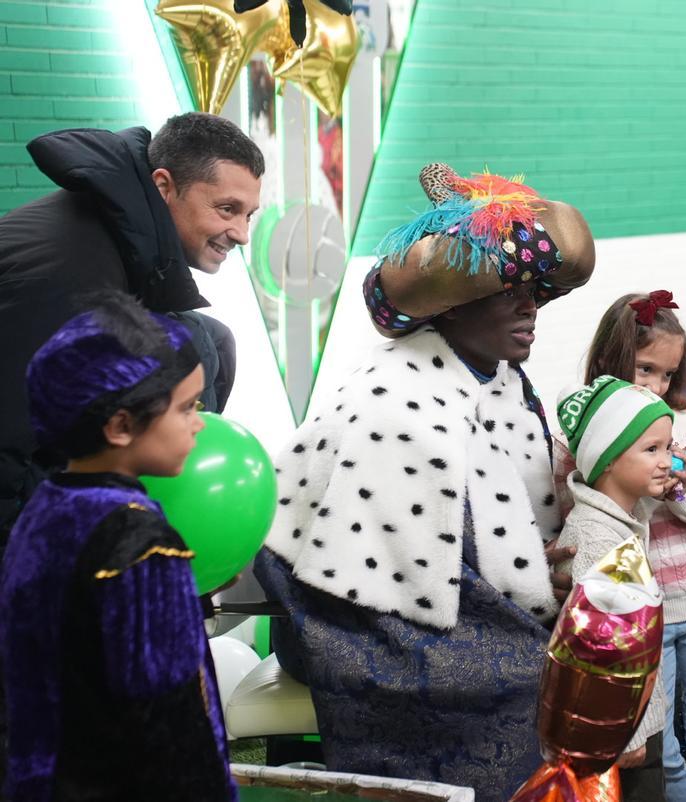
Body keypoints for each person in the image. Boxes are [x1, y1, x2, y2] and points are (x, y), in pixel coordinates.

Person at [254, 164, 595, 800]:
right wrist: (532, 600)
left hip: (453, 600)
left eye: (536, 291)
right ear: (450, 307)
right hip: (354, 617)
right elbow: (390, 576)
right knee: (535, 679)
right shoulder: (396, 406)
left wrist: (540, 568)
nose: (532, 307)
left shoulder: (502, 381)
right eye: (510, 292)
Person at [0, 292, 232, 801]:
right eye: (187, 408)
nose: (200, 422)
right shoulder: (141, 542)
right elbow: (169, 718)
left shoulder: (45, 509)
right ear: (121, 425)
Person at [0, 112, 264, 542]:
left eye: (249, 215)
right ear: (164, 187)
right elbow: (7, 439)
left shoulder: (125, 233)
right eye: (227, 209)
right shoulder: (74, 279)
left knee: (207, 341)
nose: (241, 234)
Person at [555, 290, 686, 802]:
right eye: (646, 370)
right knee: (662, 747)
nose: (658, 386)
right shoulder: (580, 435)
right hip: (640, 617)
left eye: (668, 374)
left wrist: (683, 495)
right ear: (609, 360)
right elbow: (569, 517)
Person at [553, 375, 676, 801]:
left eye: (669, 447)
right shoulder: (596, 539)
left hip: (635, 721)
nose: (668, 461)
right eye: (652, 449)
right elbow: (599, 652)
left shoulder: (618, 519)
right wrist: (627, 735)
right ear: (606, 460)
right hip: (622, 736)